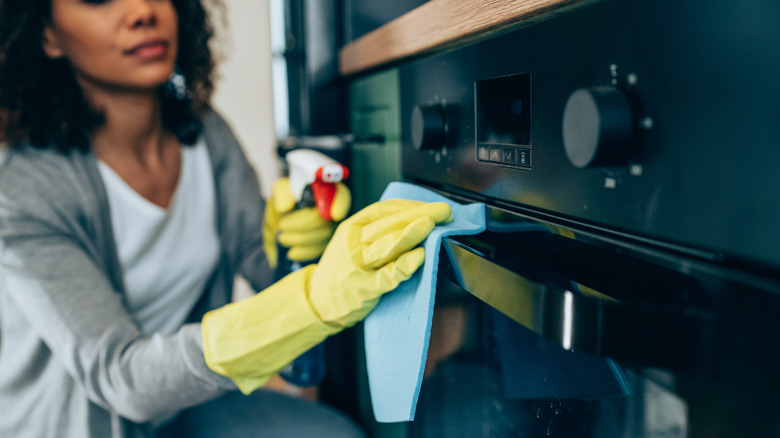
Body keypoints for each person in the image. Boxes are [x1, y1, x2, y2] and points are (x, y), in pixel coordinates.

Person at [0, 0, 452, 437]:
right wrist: (314, 299)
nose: (142, 10)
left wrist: (297, 249)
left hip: (190, 403)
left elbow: (260, 266)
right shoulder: (20, 193)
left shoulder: (204, 132)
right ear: (47, 36)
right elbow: (123, 379)